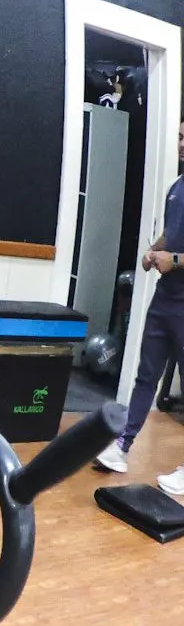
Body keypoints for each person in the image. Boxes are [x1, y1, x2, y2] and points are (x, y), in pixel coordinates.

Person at [94, 121, 184, 493]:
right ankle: (122, 446)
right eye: (179, 136)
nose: (180, 143)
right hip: (165, 300)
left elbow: (177, 251)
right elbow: (171, 231)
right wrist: (153, 250)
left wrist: (174, 260)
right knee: (146, 375)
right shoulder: (177, 187)